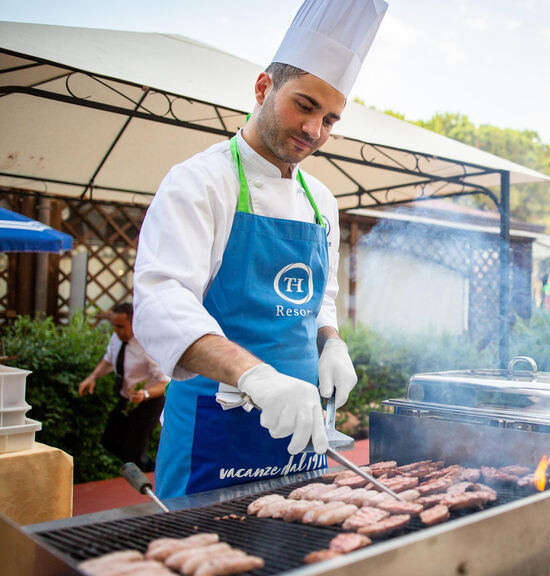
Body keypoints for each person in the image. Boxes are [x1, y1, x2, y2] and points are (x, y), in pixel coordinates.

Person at [132, 0, 387, 498]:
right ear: (263, 87)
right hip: (214, 429)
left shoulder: (322, 202)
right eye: (305, 105)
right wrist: (255, 376)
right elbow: (162, 302)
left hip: (300, 430)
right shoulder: (200, 182)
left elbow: (320, 299)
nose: (315, 131)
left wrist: (330, 342)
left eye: (330, 119)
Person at [78, 302, 170, 472]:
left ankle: (149, 473)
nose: (117, 331)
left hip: (149, 402)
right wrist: (92, 377)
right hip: (127, 398)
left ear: (134, 323)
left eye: (121, 326)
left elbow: (166, 382)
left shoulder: (147, 345)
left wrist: (145, 394)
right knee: (109, 439)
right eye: (114, 326)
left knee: (134, 452)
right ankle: (145, 466)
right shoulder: (117, 338)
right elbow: (108, 360)